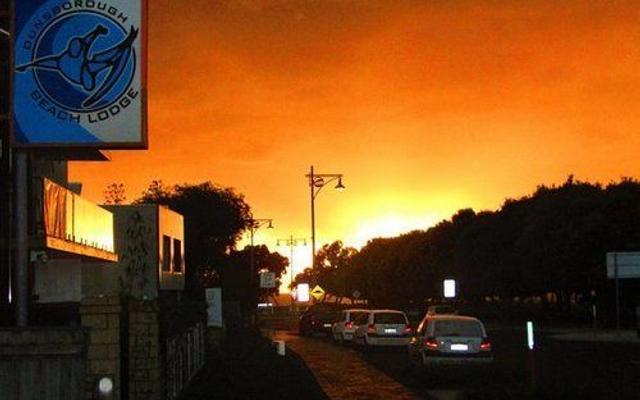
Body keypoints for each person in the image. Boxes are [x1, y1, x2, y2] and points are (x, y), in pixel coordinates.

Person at [17, 24, 138, 107]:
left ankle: (120, 50)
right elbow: (42, 63)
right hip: (85, 80)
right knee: (93, 64)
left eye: (79, 48)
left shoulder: (81, 48)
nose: (77, 50)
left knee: (94, 62)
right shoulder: (60, 60)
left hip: (87, 73)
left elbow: (88, 39)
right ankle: (112, 59)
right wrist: (28, 65)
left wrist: (98, 31)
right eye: (74, 48)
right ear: (69, 48)